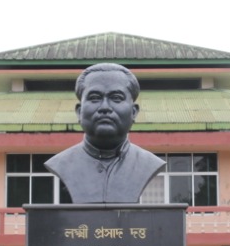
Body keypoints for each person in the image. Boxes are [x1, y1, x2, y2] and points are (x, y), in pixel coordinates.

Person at [44, 63, 165, 203]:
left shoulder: (148, 163)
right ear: (79, 111)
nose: (105, 107)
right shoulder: (61, 163)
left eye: (116, 98)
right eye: (95, 98)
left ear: (133, 112)